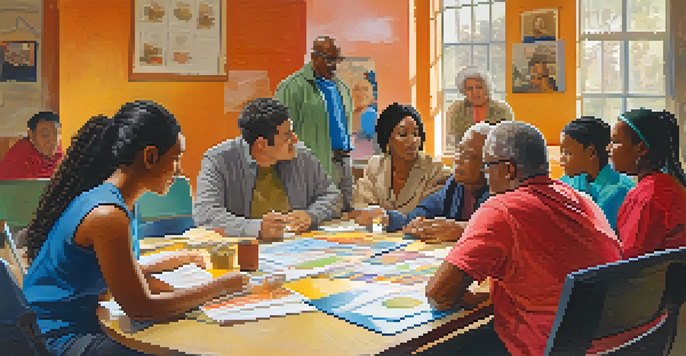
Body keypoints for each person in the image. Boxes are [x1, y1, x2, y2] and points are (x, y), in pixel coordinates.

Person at [22, 101, 250, 356]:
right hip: (63, 337)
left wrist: (174, 260)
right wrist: (222, 287)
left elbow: (114, 270)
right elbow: (141, 308)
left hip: (72, 323)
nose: (179, 169)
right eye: (175, 158)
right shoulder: (108, 215)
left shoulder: (108, 199)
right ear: (150, 156)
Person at [425, 121, 622, 356]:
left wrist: (474, 299)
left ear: (508, 170)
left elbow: (439, 294)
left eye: (488, 168)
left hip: (553, 348)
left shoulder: (501, 209)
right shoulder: (582, 200)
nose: (486, 178)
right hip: (621, 344)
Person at [193, 98, 340, 239]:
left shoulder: (302, 156)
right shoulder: (218, 160)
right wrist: (256, 228)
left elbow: (332, 196)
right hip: (244, 250)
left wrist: (312, 215)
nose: (295, 140)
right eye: (287, 136)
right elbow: (205, 214)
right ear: (262, 145)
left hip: (298, 247)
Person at [351, 123, 491, 243]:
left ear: (488, 164)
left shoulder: (500, 190)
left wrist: (461, 229)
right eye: (459, 151)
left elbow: (498, 228)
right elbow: (419, 214)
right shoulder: (455, 185)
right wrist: (387, 218)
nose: (458, 160)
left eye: (467, 156)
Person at [274, 35, 354, 212]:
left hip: (343, 162)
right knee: (315, 217)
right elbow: (279, 134)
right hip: (312, 167)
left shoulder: (342, 88)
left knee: (346, 215)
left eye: (336, 60)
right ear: (314, 57)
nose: (333, 65)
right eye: (329, 60)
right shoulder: (292, 88)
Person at [609, 108, 686, 258]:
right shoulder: (667, 185)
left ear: (641, 148)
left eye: (615, 142)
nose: (608, 149)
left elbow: (630, 262)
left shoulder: (648, 198)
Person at [352, 103, 451, 215]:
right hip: (378, 232)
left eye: (416, 134)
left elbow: (427, 213)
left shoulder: (435, 170)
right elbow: (362, 206)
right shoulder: (375, 165)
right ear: (388, 138)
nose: (412, 140)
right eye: (403, 134)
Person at [559, 116, 635, 231]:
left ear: (590, 153)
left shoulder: (621, 192)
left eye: (567, 153)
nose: (561, 159)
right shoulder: (568, 181)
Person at [445, 66, 513, 152]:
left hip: (494, 155)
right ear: (464, 91)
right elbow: (453, 138)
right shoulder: (457, 110)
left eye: (479, 87)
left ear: (486, 88)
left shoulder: (502, 110)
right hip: (466, 154)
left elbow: (508, 139)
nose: (475, 92)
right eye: (470, 88)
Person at [0, 111, 63, 179]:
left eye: (56, 134)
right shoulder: (18, 157)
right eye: (45, 135)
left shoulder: (60, 155)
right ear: (31, 135)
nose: (52, 141)